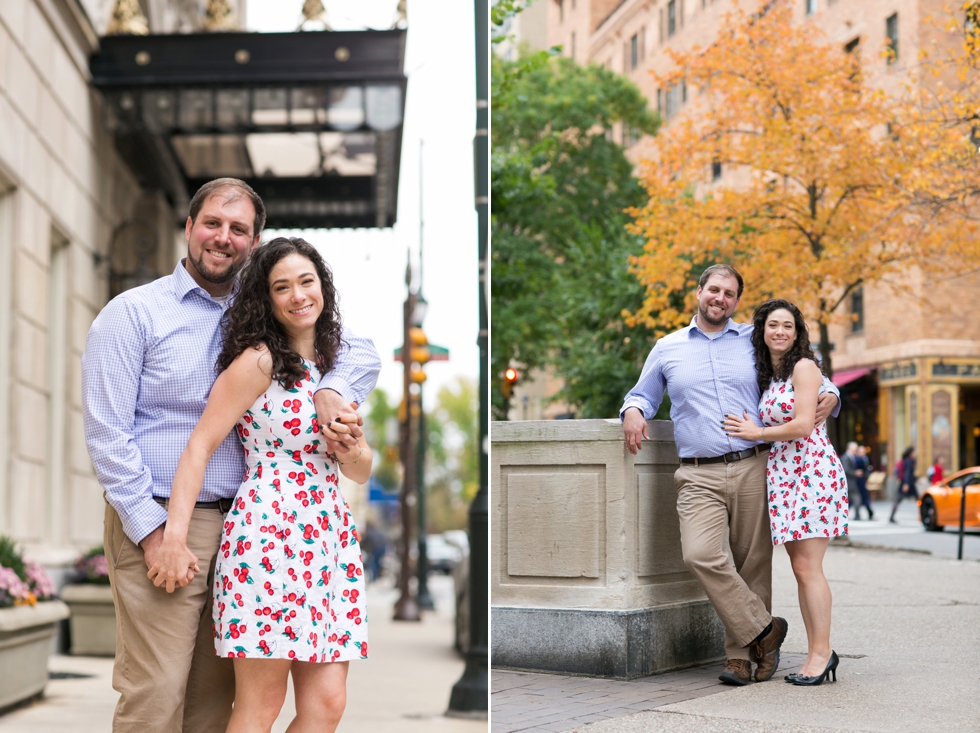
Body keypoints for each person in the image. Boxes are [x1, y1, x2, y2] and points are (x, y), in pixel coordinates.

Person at [82, 179, 381, 733]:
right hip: (169, 519)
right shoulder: (135, 313)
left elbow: (354, 345)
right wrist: (157, 533)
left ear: (254, 238)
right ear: (189, 226)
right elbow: (107, 435)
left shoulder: (265, 308)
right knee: (157, 694)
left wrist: (330, 389)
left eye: (238, 228)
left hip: (248, 525)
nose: (223, 237)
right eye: (212, 223)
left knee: (214, 705)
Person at [150, 238, 371, 733]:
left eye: (306, 281)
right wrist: (175, 536)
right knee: (261, 705)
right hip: (268, 535)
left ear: (323, 286)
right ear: (267, 299)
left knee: (328, 703)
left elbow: (360, 470)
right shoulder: (259, 361)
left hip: (329, 539)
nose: (298, 296)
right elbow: (199, 447)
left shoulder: (339, 368)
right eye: (282, 287)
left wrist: (354, 450)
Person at [621, 264, 841, 687]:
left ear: (737, 301)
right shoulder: (667, 348)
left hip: (755, 464)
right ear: (699, 292)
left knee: (753, 564)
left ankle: (740, 658)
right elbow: (642, 394)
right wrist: (632, 411)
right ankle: (765, 630)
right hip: (697, 472)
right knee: (700, 555)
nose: (720, 298)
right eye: (714, 290)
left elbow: (802, 370)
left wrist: (832, 391)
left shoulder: (753, 339)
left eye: (729, 293)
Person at [723, 299, 847, 686]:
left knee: (809, 569)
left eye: (788, 326)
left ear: (797, 333)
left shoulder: (804, 366)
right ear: (762, 330)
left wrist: (756, 433)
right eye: (772, 324)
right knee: (800, 568)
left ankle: (821, 655)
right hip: (784, 475)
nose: (780, 331)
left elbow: (804, 425)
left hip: (811, 472)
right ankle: (819, 651)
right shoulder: (770, 374)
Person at [889, 447, 918, 523]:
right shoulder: (909, 460)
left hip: (905, 482)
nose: (915, 454)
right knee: (918, 500)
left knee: (898, 499)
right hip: (908, 483)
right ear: (911, 453)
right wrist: (906, 484)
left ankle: (891, 516)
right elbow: (908, 473)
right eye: (914, 452)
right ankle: (921, 515)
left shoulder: (905, 460)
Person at [854, 446, 874, 520]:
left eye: (864, 452)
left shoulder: (865, 459)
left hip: (862, 480)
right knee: (858, 498)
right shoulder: (857, 459)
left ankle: (866, 513)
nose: (863, 453)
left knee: (862, 498)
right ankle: (863, 514)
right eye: (862, 452)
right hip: (858, 481)